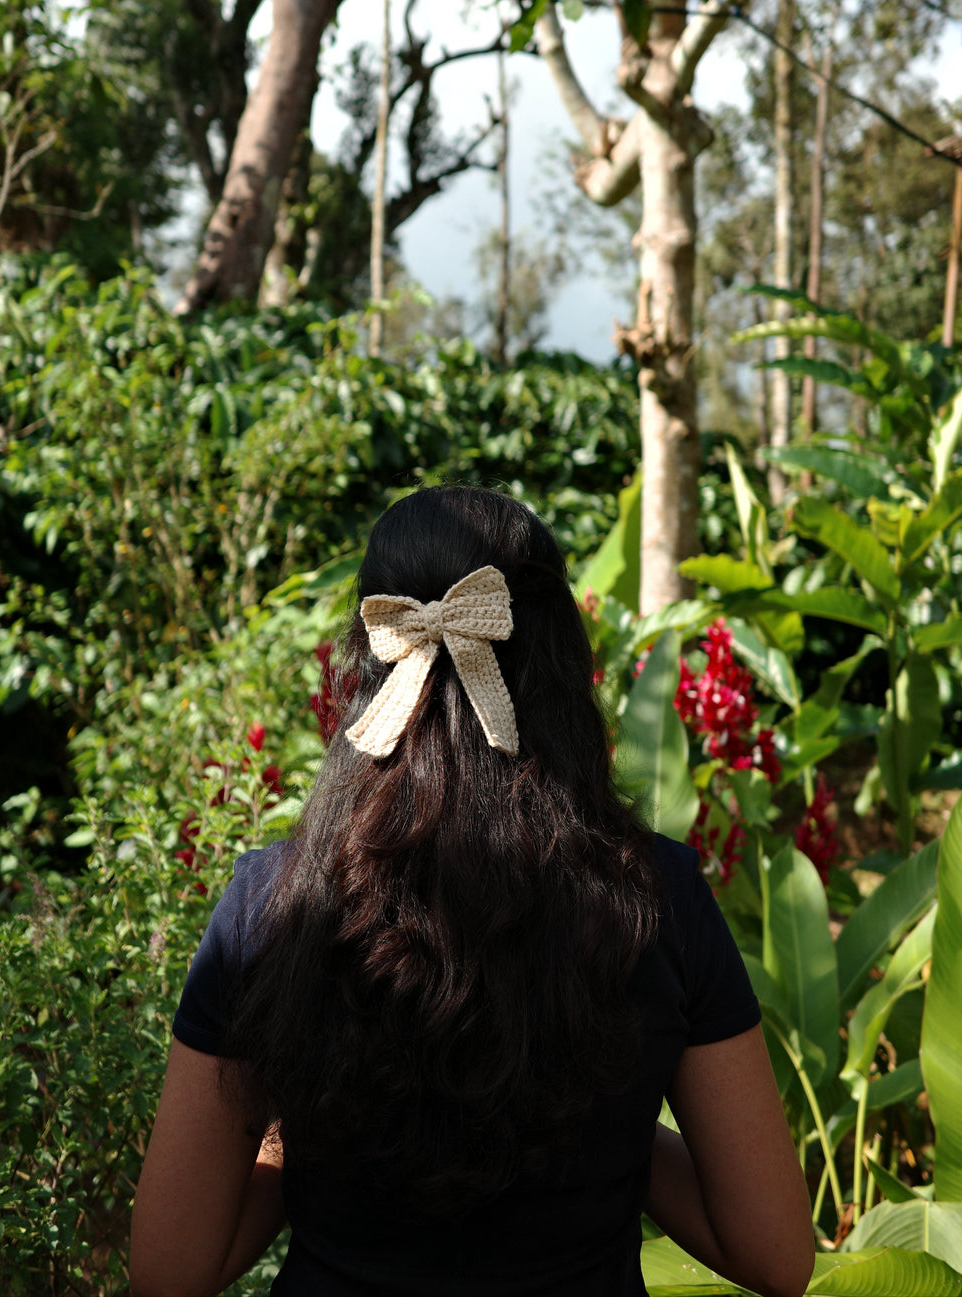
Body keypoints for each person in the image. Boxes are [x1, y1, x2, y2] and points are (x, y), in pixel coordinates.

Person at [130, 485, 814, 1297]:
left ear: (370, 653)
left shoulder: (272, 903)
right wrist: (620, 1129)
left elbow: (171, 1269)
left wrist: (302, 1130)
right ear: (561, 664)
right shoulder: (657, 898)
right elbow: (776, 1255)